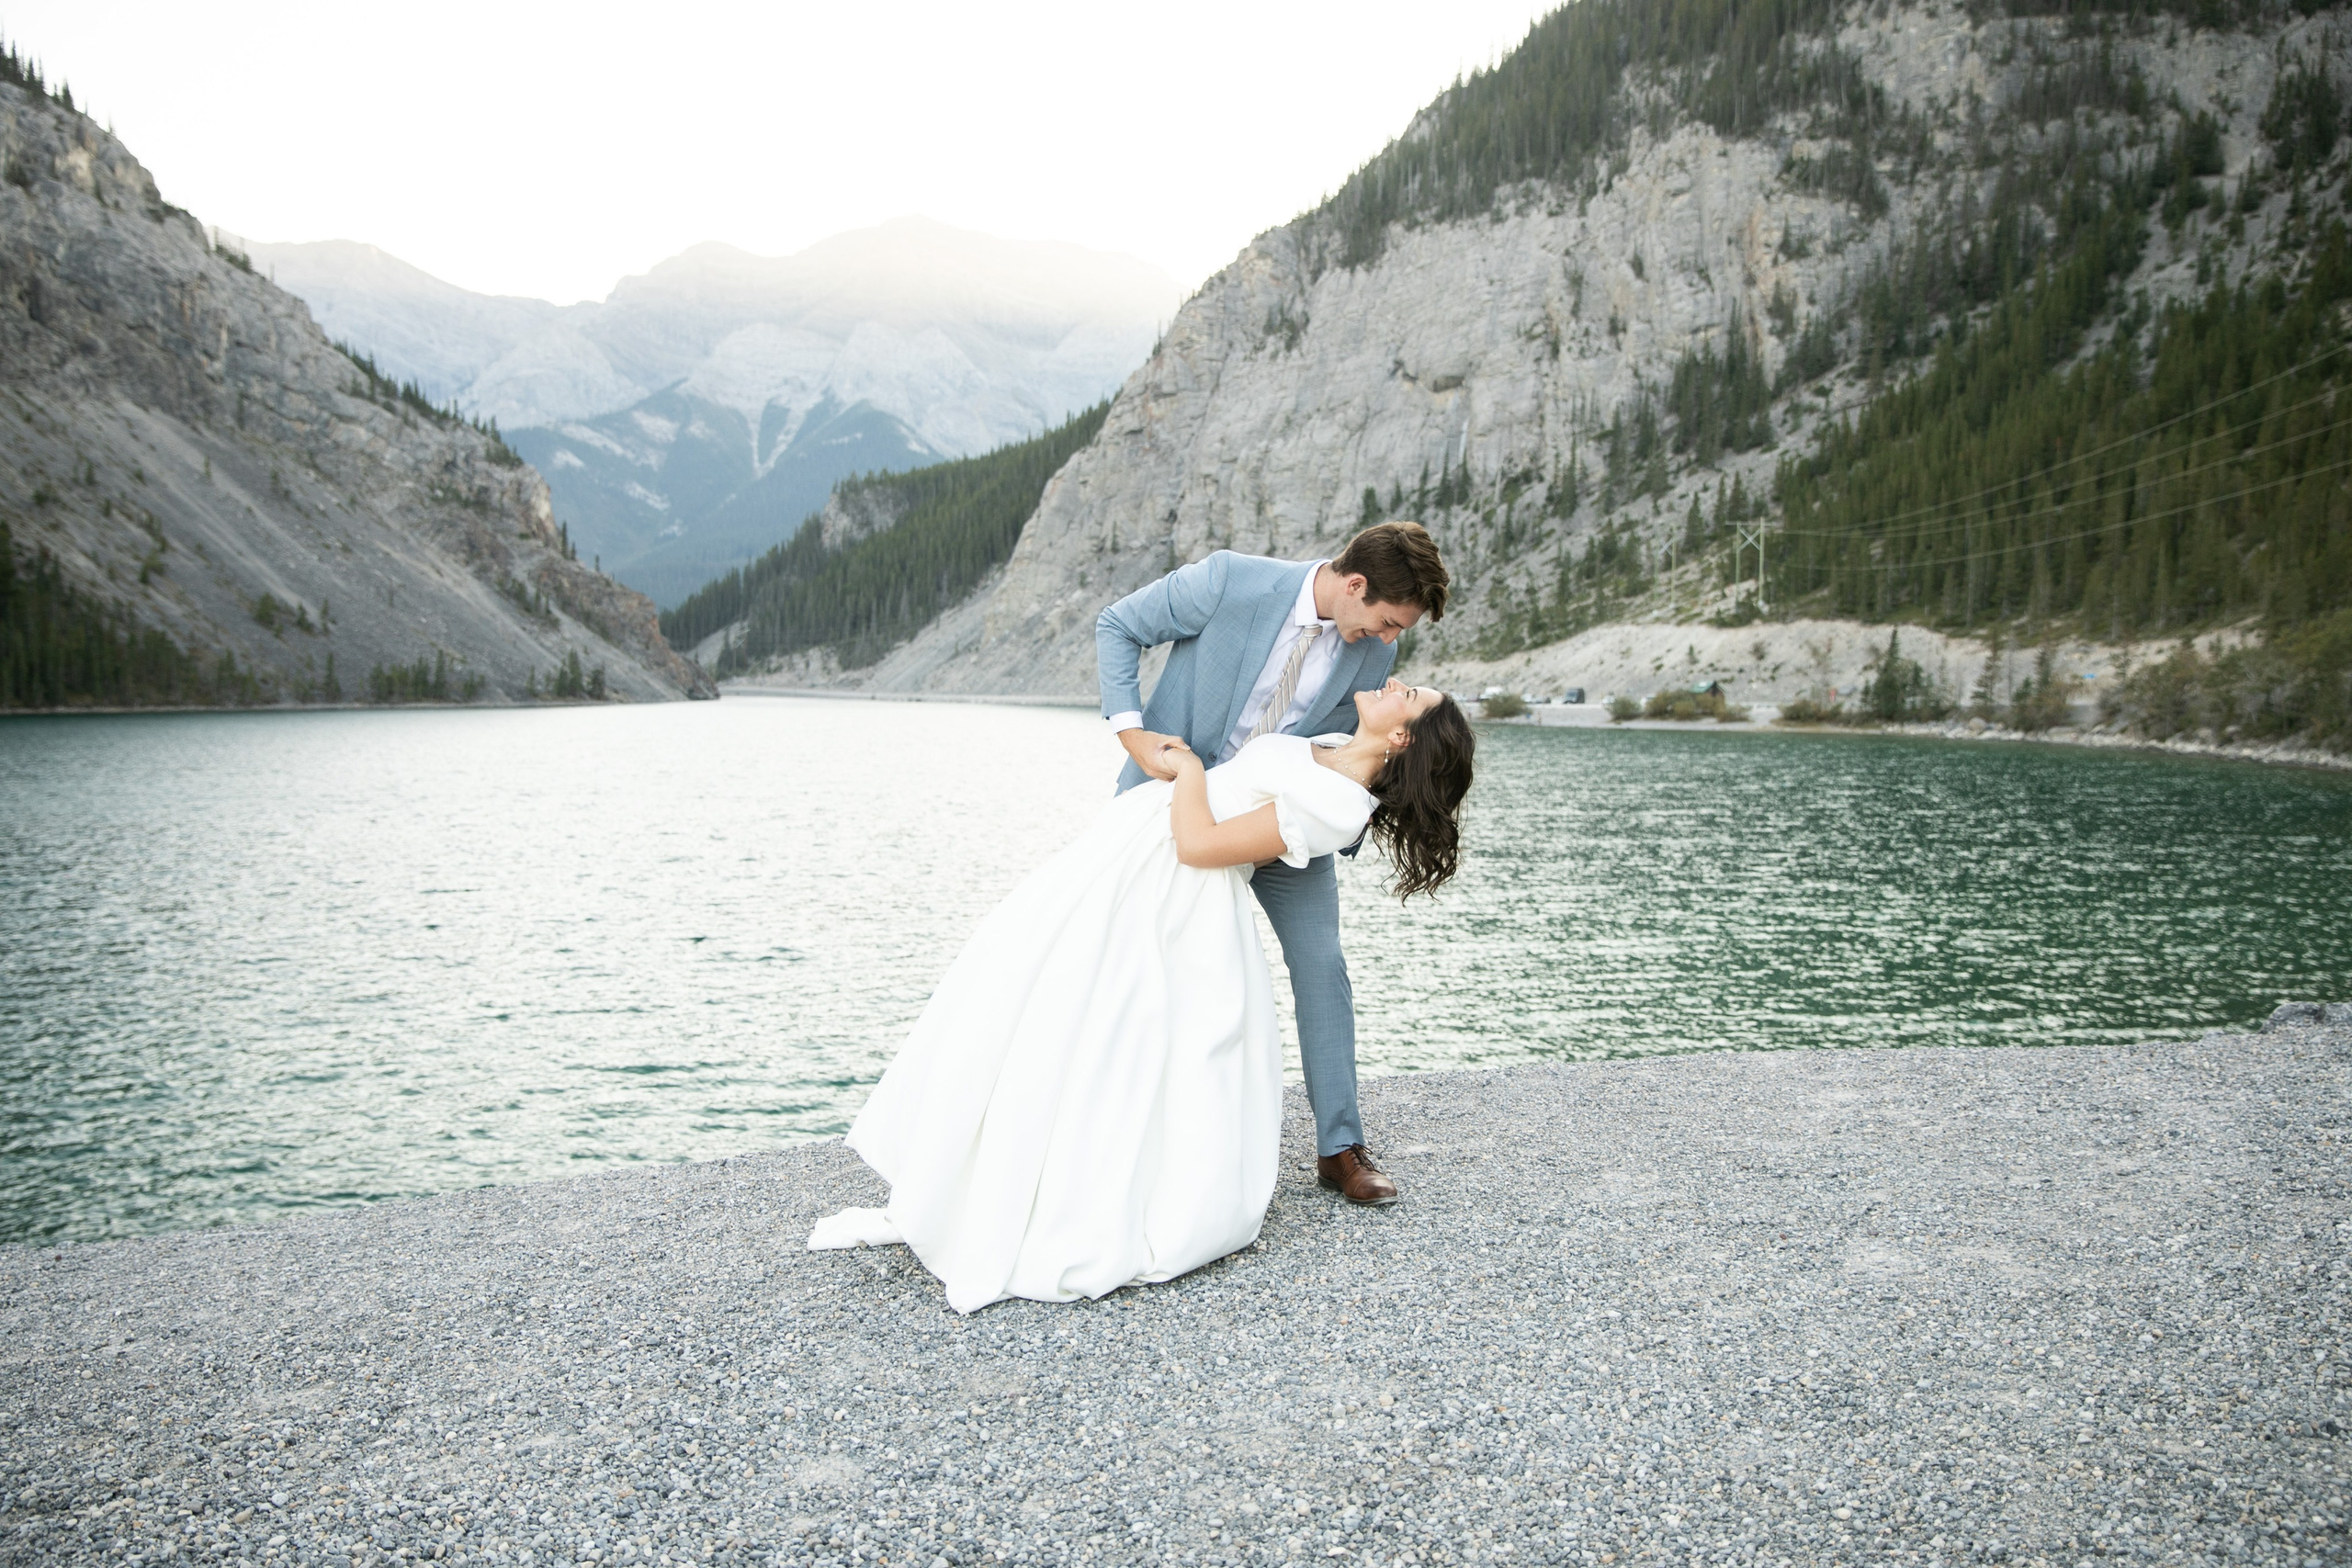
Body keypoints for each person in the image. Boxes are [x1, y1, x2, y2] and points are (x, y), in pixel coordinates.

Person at [809, 677, 1475, 1313]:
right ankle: (984, 1171)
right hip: (1130, 853)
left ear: (1403, 739)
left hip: (1174, 889)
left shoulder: (1340, 805)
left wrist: (1188, 770)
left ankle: (1060, 1197)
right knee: (1038, 999)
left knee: (1115, 1037)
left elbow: (1200, 845)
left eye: (1410, 696)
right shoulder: (1329, 743)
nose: (1396, 684)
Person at [1098, 521, 1453, 1203]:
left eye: (1396, 631)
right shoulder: (1228, 580)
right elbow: (1118, 625)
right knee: (1135, 964)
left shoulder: (1374, 649)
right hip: (1173, 808)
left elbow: (1360, 748)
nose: (1388, 641)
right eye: (1385, 621)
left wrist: (1337, 822)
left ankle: (1340, 1147)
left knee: (1323, 966)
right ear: (1355, 584)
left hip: (1285, 824)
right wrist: (1132, 734)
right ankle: (1128, 1127)